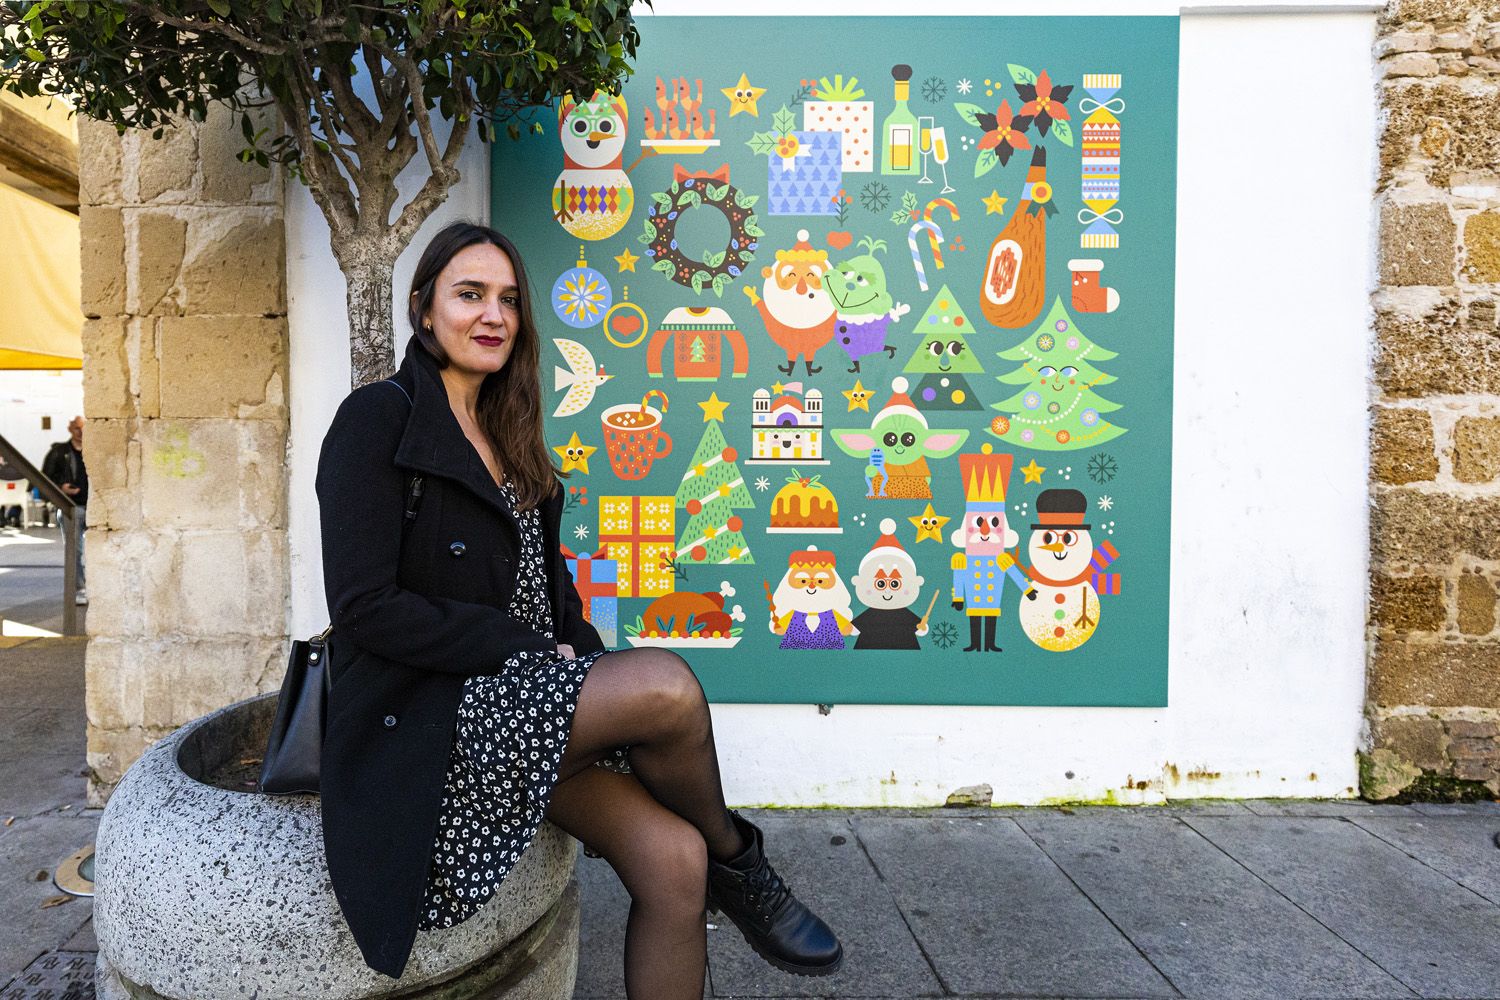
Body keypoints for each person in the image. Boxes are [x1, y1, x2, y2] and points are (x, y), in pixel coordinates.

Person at [316, 222, 843, 996]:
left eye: (508, 300)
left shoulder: (509, 430)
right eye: (470, 295)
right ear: (425, 310)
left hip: (526, 710)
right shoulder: (377, 419)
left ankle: (717, 864)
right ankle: (745, 864)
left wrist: (579, 662)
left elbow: (549, 590)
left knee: (673, 860)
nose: (492, 314)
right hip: (435, 721)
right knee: (664, 687)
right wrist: (520, 651)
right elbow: (364, 606)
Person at [41, 416, 87, 604]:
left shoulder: (94, 450)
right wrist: (61, 488)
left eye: (83, 428)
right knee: (74, 550)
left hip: (95, 506)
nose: (80, 432)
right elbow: (44, 479)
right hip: (71, 507)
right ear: (70, 429)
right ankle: (79, 588)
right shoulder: (59, 452)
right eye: (77, 428)